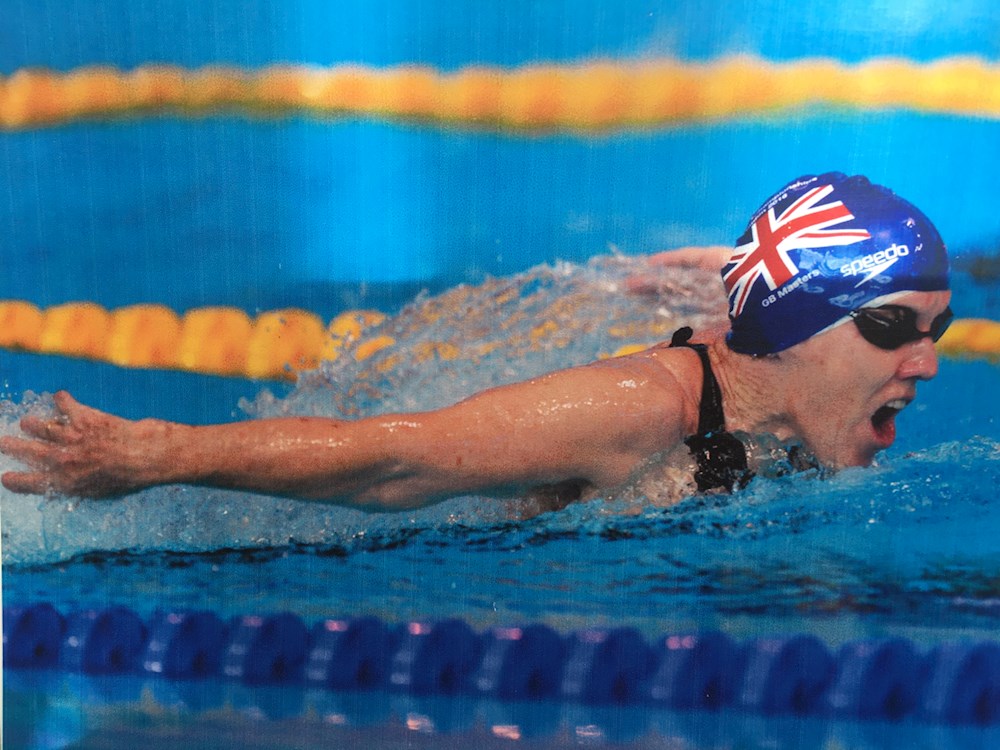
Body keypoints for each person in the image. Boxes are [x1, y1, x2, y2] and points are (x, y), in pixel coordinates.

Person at [0, 173, 952, 512]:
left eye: (935, 330)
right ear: (797, 333)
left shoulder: (780, 393)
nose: (929, 364)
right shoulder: (634, 411)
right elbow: (394, 460)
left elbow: (763, 306)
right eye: (889, 328)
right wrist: (150, 456)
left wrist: (749, 278)